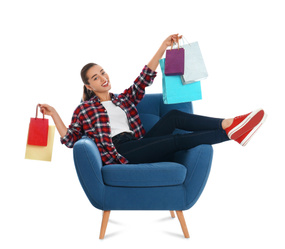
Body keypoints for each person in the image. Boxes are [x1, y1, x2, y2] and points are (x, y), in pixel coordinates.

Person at [39, 34, 267, 165]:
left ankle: (227, 124)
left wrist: (163, 47)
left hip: (139, 141)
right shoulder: (85, 110)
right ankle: (230, 130)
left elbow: (144, 78)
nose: (103, 79)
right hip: (120, 152)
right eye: (96, 78)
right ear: (89, 86)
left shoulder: (122, 99)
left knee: (175, 117)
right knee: (174, 142)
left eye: (103, 73)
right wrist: (54, 115)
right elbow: (70, 139)